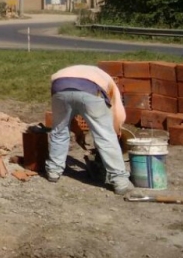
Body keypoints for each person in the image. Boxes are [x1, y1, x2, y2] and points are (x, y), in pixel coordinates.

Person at [44, 64, 133, 195]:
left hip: (59, 87)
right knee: (105, 135)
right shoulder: (108, 82)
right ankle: (120, 181)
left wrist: (78, 132)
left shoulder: (66, 71)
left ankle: (53, 172)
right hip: (89, 90)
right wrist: (117, 130)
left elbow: (68, 114)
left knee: (59, 131)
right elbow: (117, 112)